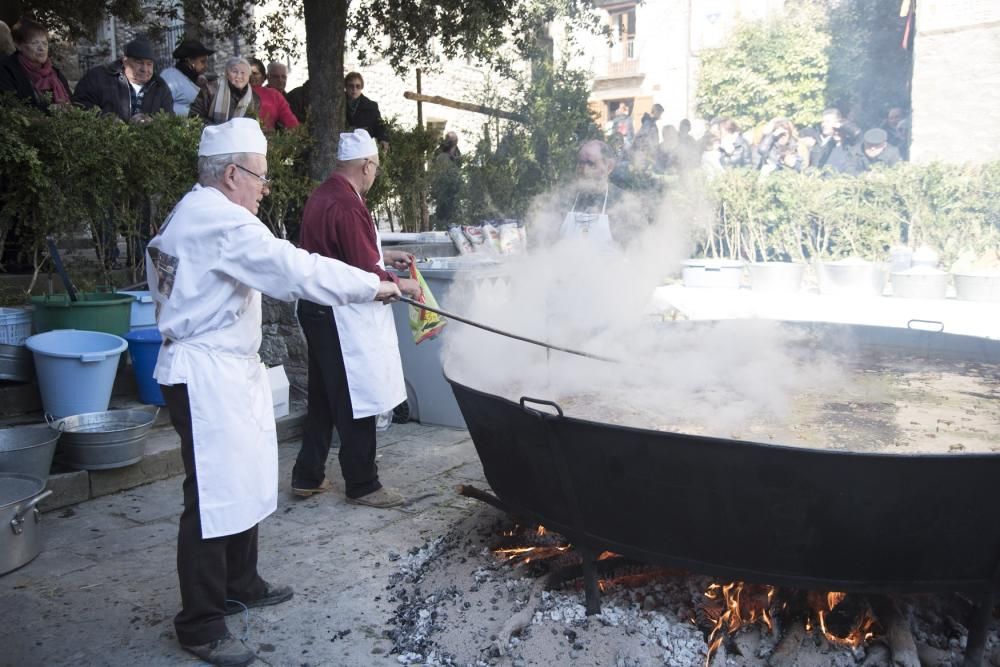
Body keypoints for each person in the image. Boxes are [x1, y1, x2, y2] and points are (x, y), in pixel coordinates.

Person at [146, 118, 401, 666]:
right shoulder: (222, 222)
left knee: (242, 477)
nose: (266, 188)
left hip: (223, 368)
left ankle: (242, 582)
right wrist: (370, 284)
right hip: (205, 372)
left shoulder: (196, 209)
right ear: (232, 174)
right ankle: (201, 623)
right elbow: (296, 269)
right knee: (213, 495)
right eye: (261, 177)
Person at [291, 129, 419, 507]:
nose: (374, 175)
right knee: (354, 393)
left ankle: (307, 474)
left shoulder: (325, 193)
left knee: (323, 396)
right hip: (341, 314)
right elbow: (366, 271)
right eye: (375, 168)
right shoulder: (348, 205)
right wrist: (402, 283)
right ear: (366, 165)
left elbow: (350, 252)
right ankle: (363, 483)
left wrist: (387, 253)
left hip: (315, 308)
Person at [72, 37, 173, 122]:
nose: (145, 69)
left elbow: (169, 120)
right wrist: (106, 119)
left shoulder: (160, 86)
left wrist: (152, 122)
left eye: (149, 64)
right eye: (139, 62)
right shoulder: (98, 77)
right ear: (125, 61)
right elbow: (79, 106)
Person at [556, 139, 633, 246]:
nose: (584, 171)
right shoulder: (564, 199)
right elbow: (545, 246)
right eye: (581, 163)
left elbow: (638, 252)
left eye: (591, 164)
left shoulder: (624, 202)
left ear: (609, 166)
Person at [0, 17, 71, 111]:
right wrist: (50, 109)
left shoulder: (55, 73)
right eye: (35, 43)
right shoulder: (6, 70)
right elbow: (12, 108)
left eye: (45, 43)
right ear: (19, 45)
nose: (41, 48)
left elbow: (73, 104)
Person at [189, 56, 259, 125]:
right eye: (235, 72)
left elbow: (252, 125)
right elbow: (194, 116)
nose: (239, 76)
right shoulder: (210, 89)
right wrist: (219, 129)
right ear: (227, 74)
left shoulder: (254, 99)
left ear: (249, 76)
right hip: (211, 134)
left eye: (243, 72)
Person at [159, 39, 214, 117]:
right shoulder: (170, 76)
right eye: (202, 61)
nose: (205, 66)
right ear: (190, 61)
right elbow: (161, 106)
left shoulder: (196, 79)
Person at [247, 57, 298, 131]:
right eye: (276, 77)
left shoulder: (277, 96)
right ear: (267, 77)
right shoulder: (233, 94)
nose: (280, 80)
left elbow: (292, 124)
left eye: (283, 77)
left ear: (263, 77)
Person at [344, 72, 388, 148]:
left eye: (358, 86)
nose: (354, 89)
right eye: (351, 86)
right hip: (344, 146)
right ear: (346, 86)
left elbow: (379, 125)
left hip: (364, 147)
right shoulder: (338, 104)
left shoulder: (371, 106)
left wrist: (383, 139)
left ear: (362, 87)